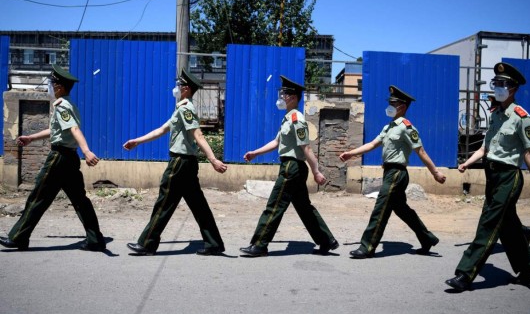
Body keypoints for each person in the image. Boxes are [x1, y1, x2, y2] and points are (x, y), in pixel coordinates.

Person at [446, 62, 530, 291]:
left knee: (489, 223)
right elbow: (485, 148)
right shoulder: (495, 115)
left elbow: (528, 154)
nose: (498, 87)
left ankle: (465, 274)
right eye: (496, 83)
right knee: (507, 227)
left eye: (503, 84)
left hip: (509, 177)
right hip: (492, 175)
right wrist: (467, 162)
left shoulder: (522, 117)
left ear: (513, 88)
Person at [0, 64, 106, 252]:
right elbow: (57, 130)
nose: (50, 86)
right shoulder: (68, 104)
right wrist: (31, 137)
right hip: (69, 159)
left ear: (59, 87)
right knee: (80, 201)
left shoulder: (62, 105)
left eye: (52, 83)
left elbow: (74, 129)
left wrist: (87, 151)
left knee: (38, 197)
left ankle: (18, 237)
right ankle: (95, 239)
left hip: (58, 159)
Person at [124, 70, 227, 256]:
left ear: (186, 89)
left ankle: (147, 243)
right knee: (198, 205)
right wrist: (137, 141)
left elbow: (198, 135)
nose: (176, 88)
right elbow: (162, 130)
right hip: (186, 163)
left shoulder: (186, 109)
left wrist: (212, 159)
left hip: (179, 163)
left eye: (179, 85)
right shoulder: (181, 107)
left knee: (164, 202)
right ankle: (214, 243)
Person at [339, 85, 446, 259]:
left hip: (397, 173)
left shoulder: (406, 127)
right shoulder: (388, 127)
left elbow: (421, 151)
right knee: (402, 210)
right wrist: (351, 153)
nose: (389, 105)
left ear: (402, 106)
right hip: (389, 172)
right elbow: (373, 144)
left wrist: (435, 173)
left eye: (392, 102)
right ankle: (427, 239)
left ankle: (367, 246)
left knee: (381, 208)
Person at [239, 75, 338, 257]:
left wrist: (316, 171)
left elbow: (305, 147)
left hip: (291, 168)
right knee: (304, 207)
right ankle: (327, 240)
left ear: (293, 97)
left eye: (284, 94)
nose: (281, 97)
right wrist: (255, 153)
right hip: (292, 167)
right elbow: (276, 142)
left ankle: (259, 245)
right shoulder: (288, 118)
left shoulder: (297, 119)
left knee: (274, 205)